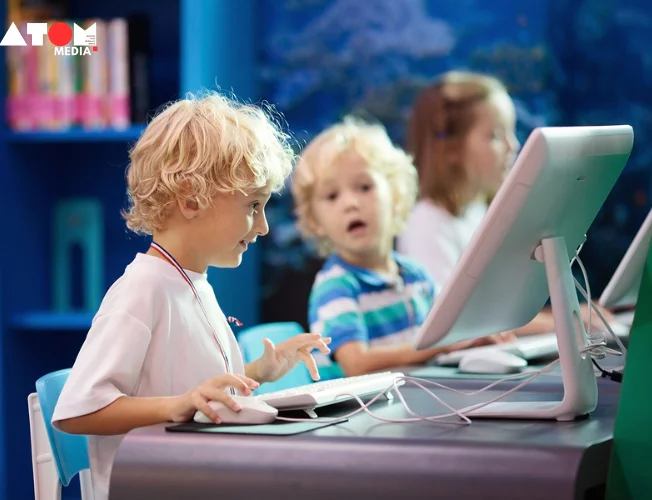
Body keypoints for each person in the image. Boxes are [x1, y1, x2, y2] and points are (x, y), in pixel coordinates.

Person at [51, 92, 331, 500]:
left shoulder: (191, 282)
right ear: (191, 198)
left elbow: (196, 390)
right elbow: (79, 411)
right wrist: (177, 405)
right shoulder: (142, 290)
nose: (265, 227)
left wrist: (256, 373)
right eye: (254, 205)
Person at [291, 117, 512, 378]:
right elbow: (356, 364)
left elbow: (448, 330)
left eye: (364, 187)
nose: (350, 203)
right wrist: (439, 345)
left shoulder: (415, 274)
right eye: (332, 196)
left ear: (395, 195)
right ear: (316, 222)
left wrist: (474, 335)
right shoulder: (335, 287)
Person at [398, 70, 612, 334]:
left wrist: (571, 315)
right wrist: (567, 322)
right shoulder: (427, 224)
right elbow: (454, 325)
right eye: (495, 136)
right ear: (451, 148)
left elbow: (499, 312)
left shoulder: (476, 211)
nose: (513, 145)